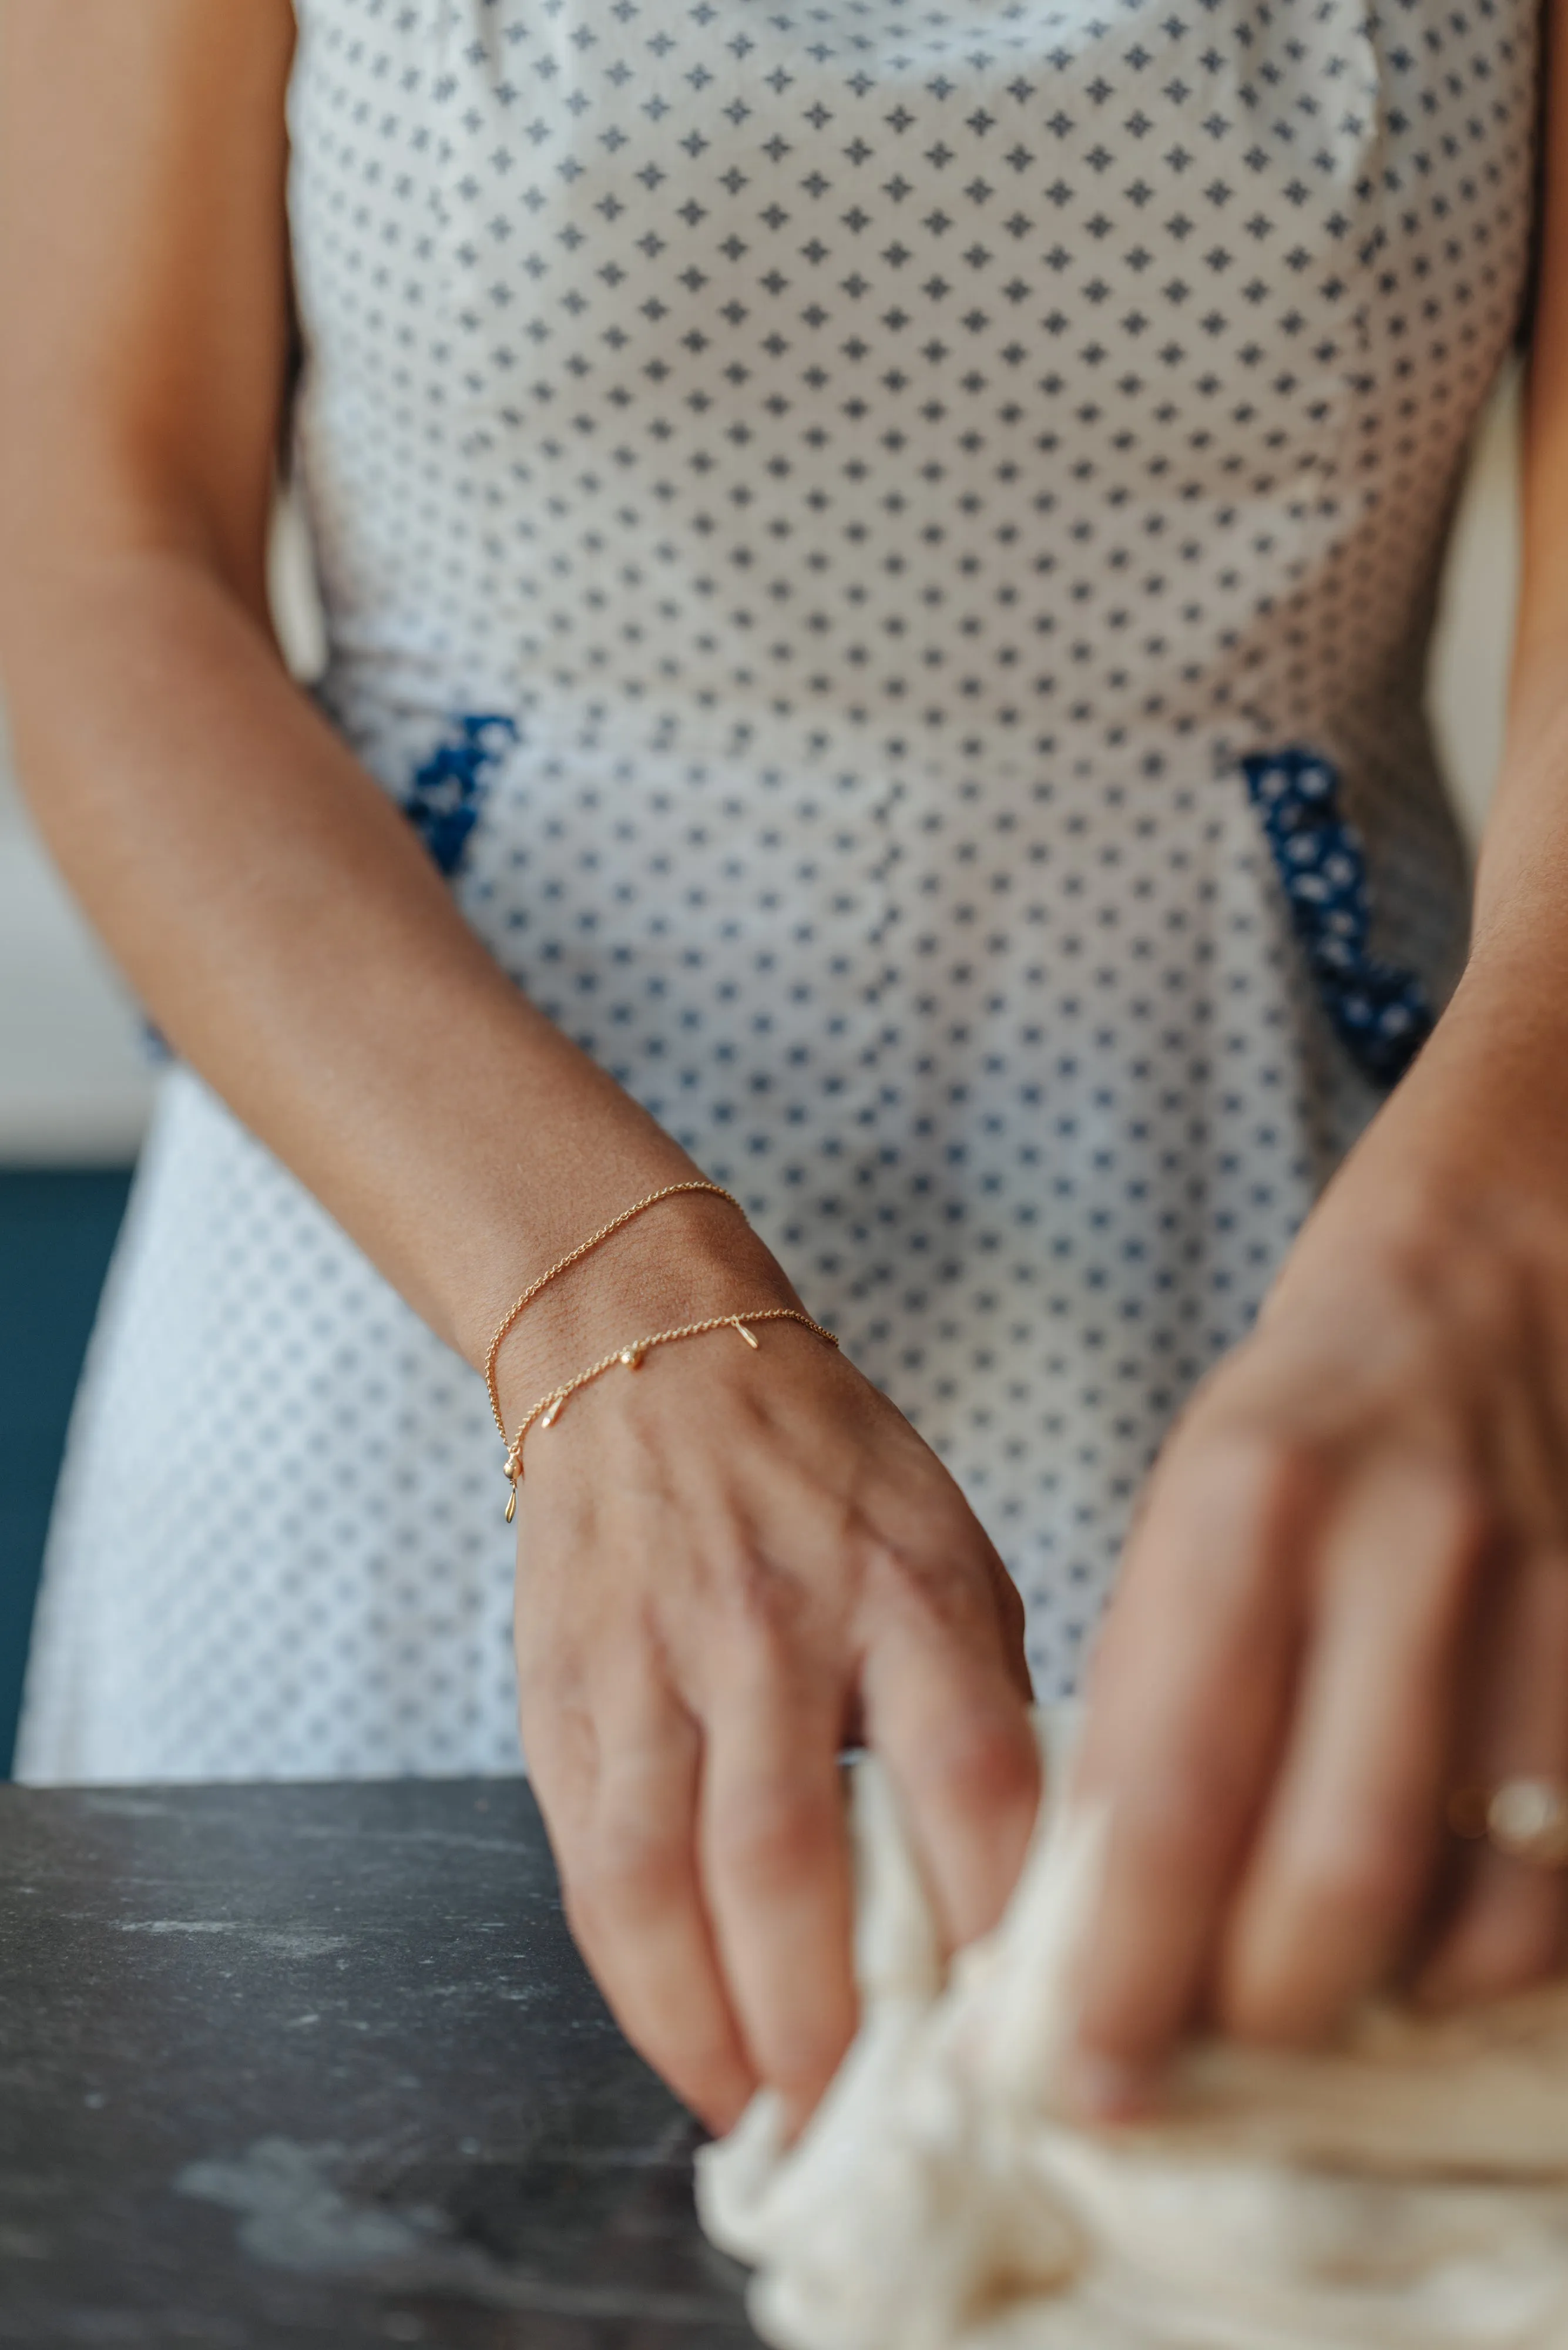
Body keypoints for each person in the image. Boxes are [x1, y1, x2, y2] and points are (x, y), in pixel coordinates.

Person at [2, 0, 1566, 2138]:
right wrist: (604, 1319)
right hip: (421, 1314)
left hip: (1307, 1341)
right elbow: (92, 568)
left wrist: (1481, 1281)